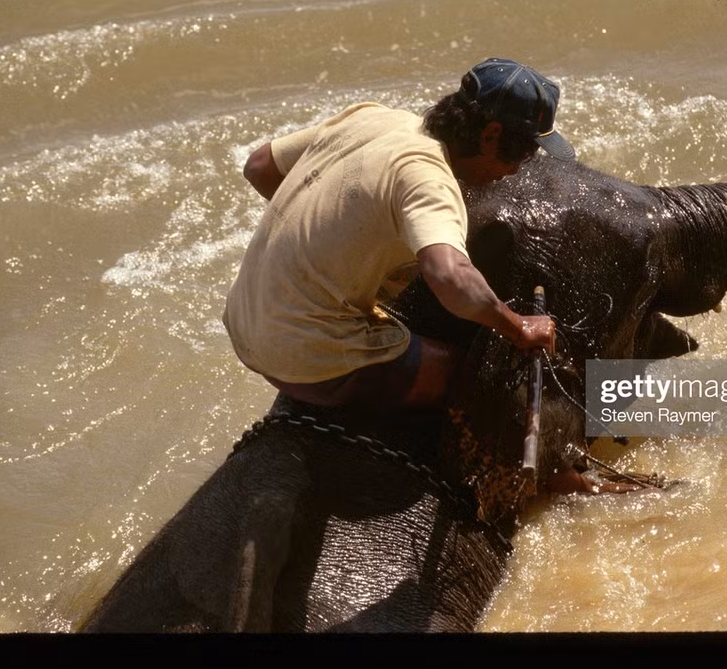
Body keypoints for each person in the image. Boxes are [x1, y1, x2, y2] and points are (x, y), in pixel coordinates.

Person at [223, 58, 575, 410]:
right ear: (491, 134)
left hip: (243, 320)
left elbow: (259, 167)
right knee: (475, 376)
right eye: (523, 153)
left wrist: (327, 229)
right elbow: (450, 277)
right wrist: (517, 327)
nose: (515, 170)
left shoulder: (373, 118)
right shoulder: (428, 179)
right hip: (302, 357)